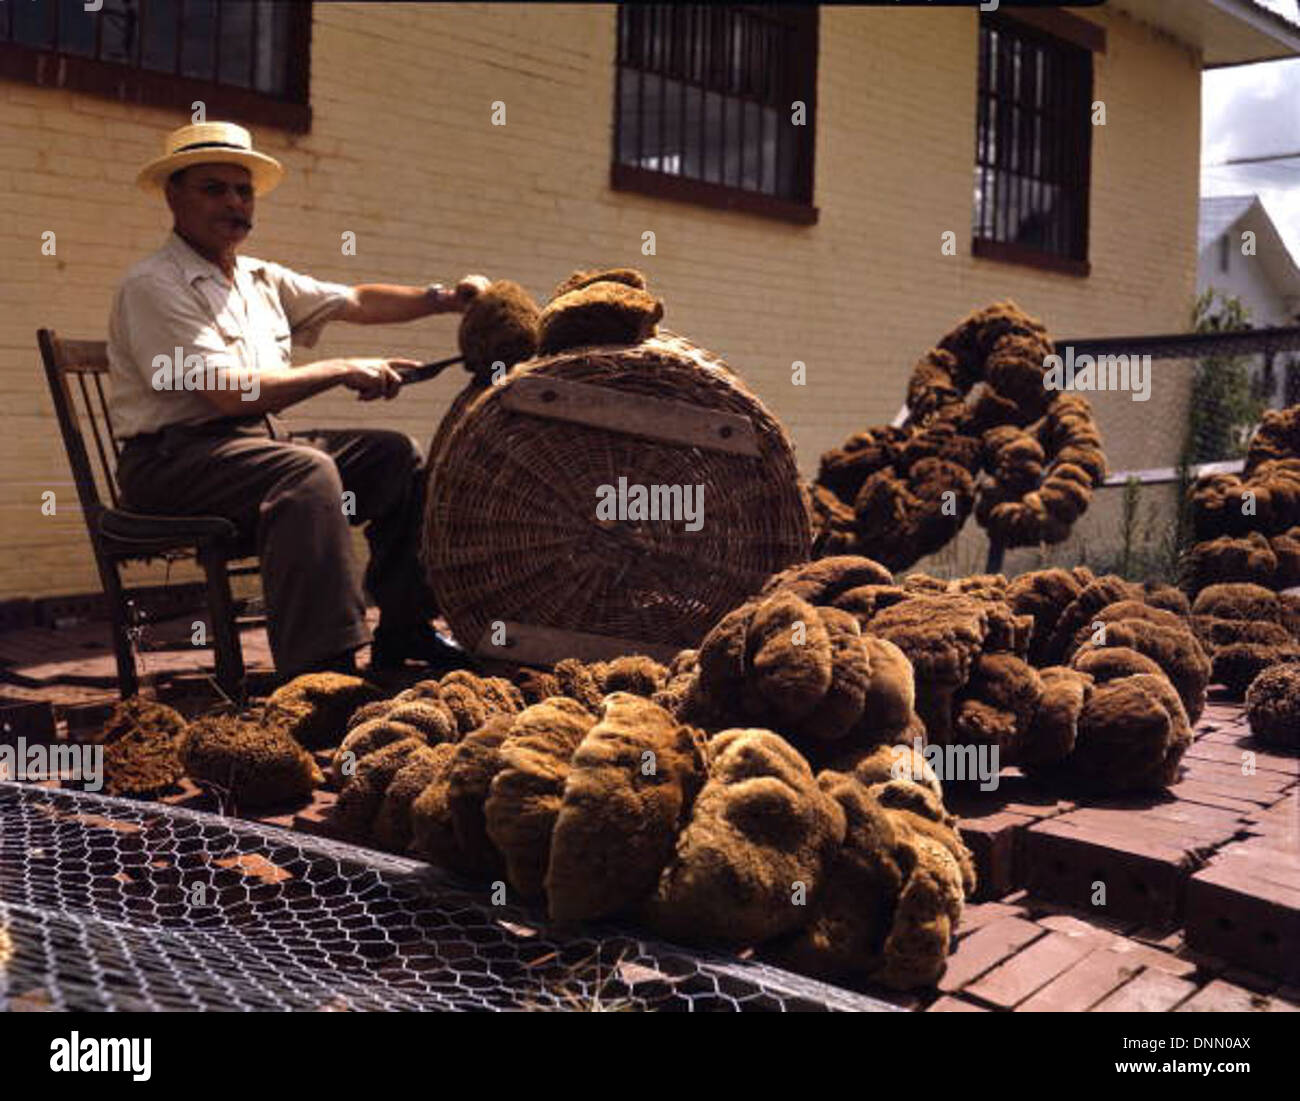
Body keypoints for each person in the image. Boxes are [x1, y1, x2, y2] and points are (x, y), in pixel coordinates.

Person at [108, 121, 484, 678]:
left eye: (243, 191)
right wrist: (340, 369)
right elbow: (229, 395)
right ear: (173, 195)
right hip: (171, 464)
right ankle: (320, 672)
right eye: (214, 189)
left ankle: (406, 627)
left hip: (250, 448)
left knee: (394, 456)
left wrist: (447, 299)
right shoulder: (154, 284)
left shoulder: (259, 278)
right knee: (305, 473)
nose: (234, 203)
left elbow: (354, 299)